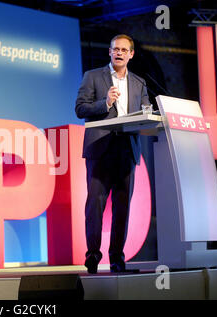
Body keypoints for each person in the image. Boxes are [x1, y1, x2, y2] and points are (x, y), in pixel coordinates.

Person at [75, 34, 150, 274]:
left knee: (122, 208)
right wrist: (105, 103)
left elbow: (145, 112)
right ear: (109, 52)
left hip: (127, 150)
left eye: (123, 50)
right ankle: (93, 256)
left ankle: (117, 258)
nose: (118, 53)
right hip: (101, 150)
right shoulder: (93, 76)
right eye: (114, 49)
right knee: (95, 206)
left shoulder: (139, 83)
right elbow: (79, 108)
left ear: (131, 54)